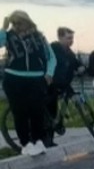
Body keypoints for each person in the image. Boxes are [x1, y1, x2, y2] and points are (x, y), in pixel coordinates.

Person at [0, 10, 55, 156]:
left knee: (37, 111)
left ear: (28, 21)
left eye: (20, 22)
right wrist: (3, 29)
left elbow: (51, 57)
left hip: (36, 78)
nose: (17, 26)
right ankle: (25, 143)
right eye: (14, 23)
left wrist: (49, 73)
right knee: (20, 112)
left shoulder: (39, 37)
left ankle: (39, 141)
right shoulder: (8, 35)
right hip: (14, 78)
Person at [45, 26, 85, 147]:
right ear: (60, 37)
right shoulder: (53, 48)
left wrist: (81, 67)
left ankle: (58, 125)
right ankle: (48, 139)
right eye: (68, 38)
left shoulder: (70, 52)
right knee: (50, 110)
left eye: (72, 38)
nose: (71, 41)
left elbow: (76, 63)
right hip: (51, 83)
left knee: (58, 108)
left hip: (64, 83)